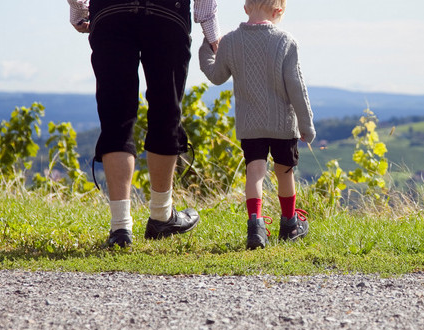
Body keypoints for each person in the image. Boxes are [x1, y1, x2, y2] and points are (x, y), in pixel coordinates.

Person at [67, 0, 221, 247]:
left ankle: (120, 228)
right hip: (167, 12)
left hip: (111, 11)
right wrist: (211, 30)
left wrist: (79, 9)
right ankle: (161, 216)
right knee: (165, 111)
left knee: (116, 117)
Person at [199, 0, 316, 249]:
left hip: (250, 124)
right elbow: (296, 87)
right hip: (282, 123)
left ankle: (256, 227)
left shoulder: (229, 42)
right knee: (284, 171)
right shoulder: (285, 41)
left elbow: (215, 76)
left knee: (254, 173)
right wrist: (306, 125)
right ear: (278, 11)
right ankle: (290, 223)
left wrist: (206, 47)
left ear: (246, 8)